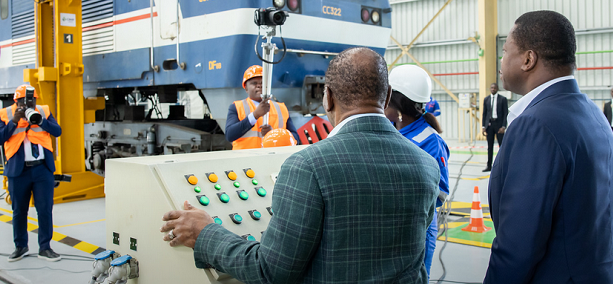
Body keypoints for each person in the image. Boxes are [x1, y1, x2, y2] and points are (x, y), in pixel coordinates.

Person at [161, 47, 440, 283]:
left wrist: (206, 233)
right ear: (387, 96)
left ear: (327, 97)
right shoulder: (426, 165)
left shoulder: (307, 166)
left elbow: (270, 270)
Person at [484, 11, 613, 283]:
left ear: (528, 60)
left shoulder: (536, 124)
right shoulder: (593, 114)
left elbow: (518, 246)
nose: (501, 61)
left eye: (506, 51)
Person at [385, 65, 450, 278]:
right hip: (392, 225)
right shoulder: (395, 131)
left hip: (417, 229)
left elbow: (439, 192)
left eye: (387, 99)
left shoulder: (430, 141)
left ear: (399, 107)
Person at [0, 85, 62, 262]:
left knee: (44, 209)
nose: (27, 104)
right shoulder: (5, 114)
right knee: (19, 210)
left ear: (36, 100)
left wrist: (41, 121)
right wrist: (14, 122)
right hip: (18, 171)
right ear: (16, 101)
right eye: (23, 101)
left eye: (31, 100)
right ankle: (20, 246)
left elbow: (57, 131)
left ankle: (45, 247)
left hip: (42, 169)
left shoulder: (43, 111)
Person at [225, 65, 299, 149]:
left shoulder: (281, 108)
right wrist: (255, 115)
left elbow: (295, 138)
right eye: (254, 83)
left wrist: (275, 134)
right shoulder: (236, 107)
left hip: (274, 158)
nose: (259, 86)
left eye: (263, 83)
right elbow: (230, 135)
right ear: (246, 88)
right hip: (246, 159)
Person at [480, 83, 508, 172]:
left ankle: (503, 166)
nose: (493, 89)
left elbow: (505, 114)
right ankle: (489, 166)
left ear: (497, 89)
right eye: (491, 87)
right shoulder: (486, 99)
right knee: (489, 146)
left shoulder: (503, 99)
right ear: (490, 89)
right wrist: (483, 126)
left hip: (499, 125)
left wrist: (503, 126)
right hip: (489, 125)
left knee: (502, 146)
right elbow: (484, 113)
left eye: (494, 88)